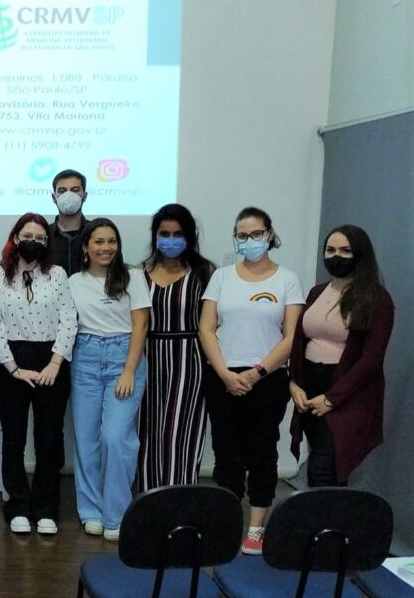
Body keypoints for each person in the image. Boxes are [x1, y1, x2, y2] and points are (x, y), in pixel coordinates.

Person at [198, 206, 304, 555]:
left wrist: (257, 373)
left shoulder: (287, 279)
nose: (249, 240)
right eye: (242, 235)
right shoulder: (222, 277)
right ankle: (227, 524)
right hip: (222, 377)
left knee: (261, 452)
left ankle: (255, 528)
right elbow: (206, 328)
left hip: (267, 380)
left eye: (256, 234)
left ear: (270, 234)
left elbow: (291, 336)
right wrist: (226, 373)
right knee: (225, 453)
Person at [0, 213, 76, 535]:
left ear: (47, 243)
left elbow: (69, 320)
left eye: (40, 238)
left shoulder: (59, 275)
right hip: (11, 362)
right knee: (14, 438)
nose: (33, 242)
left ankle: (46, 508)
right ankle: (18, 506)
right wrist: (13, 368)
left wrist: (54, 363)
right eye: (27, 236)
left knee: (50, 439)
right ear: (15, 237)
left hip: (52, 361)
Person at [288, 225, 394, 486]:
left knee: (326, 468)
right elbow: (300, 342)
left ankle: (327, 525)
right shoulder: (317, 292)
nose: (336, 256)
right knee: (321, 464)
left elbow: (371, 360)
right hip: (311, 389)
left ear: (360, 254)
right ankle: (324, 525)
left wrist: (332, 399)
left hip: (346, 394)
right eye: (330, 250)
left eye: (345, 250)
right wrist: (295, 384)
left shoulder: (377, 299)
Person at [68, 218, 150, 541]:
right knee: (86, 439)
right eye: (99, 242)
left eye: (111, 241)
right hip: (85, 356)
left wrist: (129, 369)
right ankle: (91, 511)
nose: (106, 247)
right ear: (86, 247)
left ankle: (116, 514)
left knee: (116, 437)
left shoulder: (134, 277)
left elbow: (141, 325)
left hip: (123, 356)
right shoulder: (73, 281)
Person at [138, 204, 215, 491]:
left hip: (189, 361)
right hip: (149, 358)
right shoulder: (140, 274)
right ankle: (149, 500)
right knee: (149, 431)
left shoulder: (205, 273)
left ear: (189, 236)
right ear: (155, 236)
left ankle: (179, 500)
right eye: (164, 233)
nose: (170, 239)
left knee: (179, 433)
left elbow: (213, 324)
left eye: (178, 233)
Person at [48, 169, 90, 276]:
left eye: (75, 190)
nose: (68, 195)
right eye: (62, 190)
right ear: (54, 198)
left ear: (84, 196)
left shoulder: (96, 233)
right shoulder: (44, 235)